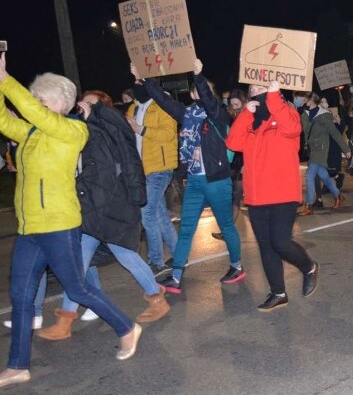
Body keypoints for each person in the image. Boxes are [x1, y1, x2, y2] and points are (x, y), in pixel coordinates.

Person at [0, 55, 142, 389]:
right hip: (29, 227)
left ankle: (126, 327)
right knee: (21, 297)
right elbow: (6, 121)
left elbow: (35, 114)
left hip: (59, 224)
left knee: (77, 287)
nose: (33, 104)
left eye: (40, 99)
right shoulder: (32, 134)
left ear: (60, 103)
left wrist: (5, 78)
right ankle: (18, 365)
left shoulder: (72, 130)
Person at [37, 90, 169, 340]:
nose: (83, 105)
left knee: (127, 256)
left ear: (104, 109)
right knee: (78, 265)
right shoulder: (84, 132)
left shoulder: (109, 131)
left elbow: (109, 146)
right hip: (91, 211)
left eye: (91, 103)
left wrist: (94, 113)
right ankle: (64, 321)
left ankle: (156, 299)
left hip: (111, 208)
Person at [132, 60, 245, 294]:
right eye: (194, 88)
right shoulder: (188, 115)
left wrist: (198, 75)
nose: (196, 91)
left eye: (200, 89)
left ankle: (236, 266)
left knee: (226, 225)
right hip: (194, 180)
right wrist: (145, 79)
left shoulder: (217, 114)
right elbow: (164, 101)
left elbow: (206, 97)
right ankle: (175, 276)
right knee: (186, 229)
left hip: (216, 181)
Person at [226, 80, 319, 313]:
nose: (257, 93)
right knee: (266, 246)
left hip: (283, 192)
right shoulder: (250, 122)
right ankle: (278, 292)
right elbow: (233, 142)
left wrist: (275, 96)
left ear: (273, 91)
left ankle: (308, 267)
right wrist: (246, 115)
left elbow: (293, 130)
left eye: (261, 88)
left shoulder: (286, 112)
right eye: (253, 91)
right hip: (257, 195)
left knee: (280, 242)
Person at [125, 76, 178, 276]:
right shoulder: (133, 108)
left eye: (141, 82)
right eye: (135, 82)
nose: (137, 86)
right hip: (141, 169)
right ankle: (178, 254)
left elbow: (169, 134)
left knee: (147, 215)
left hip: (160, 168)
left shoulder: (163, 105)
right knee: (160, 214)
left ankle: (156, 261)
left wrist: (141, 129)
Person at [299, 92, 350, 215]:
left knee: (309, 175)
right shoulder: (305, 115)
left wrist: (346, 149)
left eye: (305, 99)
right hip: (311, 149)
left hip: (321, 149)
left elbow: (335, 133)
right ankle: (338, 196)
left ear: (311, 101)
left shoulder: (325, 116)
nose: (303, 101)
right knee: (324, 176)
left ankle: (309, 204)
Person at [213, 89, 248, 241]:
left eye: (236, 103)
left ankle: (226, 231)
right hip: (232, 160)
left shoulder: (248, 115)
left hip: (244, 159)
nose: (234, 106)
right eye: (231, 104)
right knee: (231, 196)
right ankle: (226, 230)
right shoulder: (229, 116)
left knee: (236, 196)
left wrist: (246, 163)